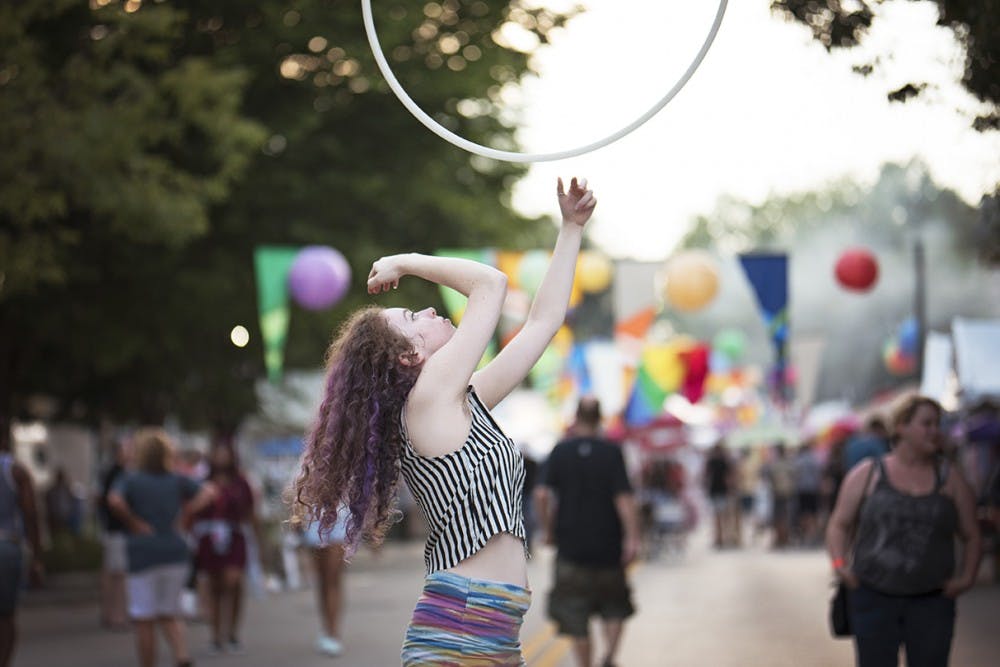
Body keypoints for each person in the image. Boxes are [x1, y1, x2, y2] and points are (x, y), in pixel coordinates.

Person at [289, 176, 596, 665]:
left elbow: (542, 323)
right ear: (410, 356)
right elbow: (489, 285)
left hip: (483, 627)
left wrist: (571, 228)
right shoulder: (427, 401)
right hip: (462, 627)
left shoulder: (455, 403)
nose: (431, 308)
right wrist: (404, 262)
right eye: (414, 315)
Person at [826, 396, 982, 667]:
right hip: (874, 596)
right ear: (901, 427)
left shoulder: (950, 478)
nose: (935, 430)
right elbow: (839, 523)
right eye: (926, 423)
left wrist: (966, 578)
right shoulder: (868, 474)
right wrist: (840, 565)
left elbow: (971, 534)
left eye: (938, 424)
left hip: (931, 601)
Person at [535, 396, 640, 667]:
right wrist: (632, 537)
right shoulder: (612, 452)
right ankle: (609, 657)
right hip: (608, 546)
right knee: (615, 606)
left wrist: (548, 530)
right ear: (600, 419)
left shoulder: (560, 451)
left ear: (576, 418)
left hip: (571, 548)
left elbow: (542, 494)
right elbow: (624, 499)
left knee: (575, 614)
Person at [108, 428, 215, 667]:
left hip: (142, 552)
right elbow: (209, 491)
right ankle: (181, 655)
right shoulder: (177, 479)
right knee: (169, 611)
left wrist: (134, 522)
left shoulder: (130, 479)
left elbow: (114, 500)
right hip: (174, 550)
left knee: (144, 617)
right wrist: (186, 513)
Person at [191, 442, 260, 655]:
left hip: (235, 537)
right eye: (217, 452)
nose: (221, 457)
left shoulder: (241, 482)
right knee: (214, 586)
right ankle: (215, 636)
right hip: (209, 539)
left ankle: (232, 633)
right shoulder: (202, 482)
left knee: (233, 581)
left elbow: (250, 512)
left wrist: (258, 543)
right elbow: (191, 510)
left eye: (225, 453)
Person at [0, 420, 43, 667]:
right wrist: (36, 558)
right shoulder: (16, 470)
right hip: (6, 546)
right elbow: (31, 515)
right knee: (5, 616)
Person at [302, 509, 347, 657]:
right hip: (315, 513)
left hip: (340, 514)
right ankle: (326, 628)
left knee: (332, 578)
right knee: (323, 580)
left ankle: (333, 633)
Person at [98, 439, 130, 630]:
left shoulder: (112, 473)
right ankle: (116, 616)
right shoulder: (117, 474)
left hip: (113, 530)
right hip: (117, 530)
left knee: (112, 573)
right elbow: (113, 502)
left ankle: (111, 613)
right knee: (118, 574)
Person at [703, 441, 735, 548]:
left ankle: (720, 538)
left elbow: (707, 476)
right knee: (721, 516)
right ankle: (721, 538)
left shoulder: (713, 461)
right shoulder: (723, 461)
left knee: (718, 516)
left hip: (716, 490)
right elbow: (729, 477)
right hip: (720, 490)